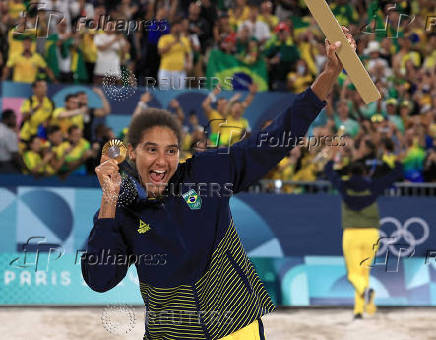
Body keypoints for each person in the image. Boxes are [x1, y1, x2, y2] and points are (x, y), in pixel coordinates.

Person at [81, 28, 355, 339]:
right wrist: (108, 201)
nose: (162, 161)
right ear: (133, 152)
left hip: (236, 327)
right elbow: (100, 279)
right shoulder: (122, 207)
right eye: (151, 150)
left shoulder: (207, 172)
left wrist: (329, 74)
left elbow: (273, 140)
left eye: (171, 150)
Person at [324, 153, 403, 320]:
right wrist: (396, 159)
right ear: (365, 173)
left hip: (351, 234)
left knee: (353, 274)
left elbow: (328, 172)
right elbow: (396, 174)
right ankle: (363, 309)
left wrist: (332, 158)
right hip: (371, 234)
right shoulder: (373, 186)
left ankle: (364, 299)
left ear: (350, 174)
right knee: (364, 272)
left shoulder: (344, 185)